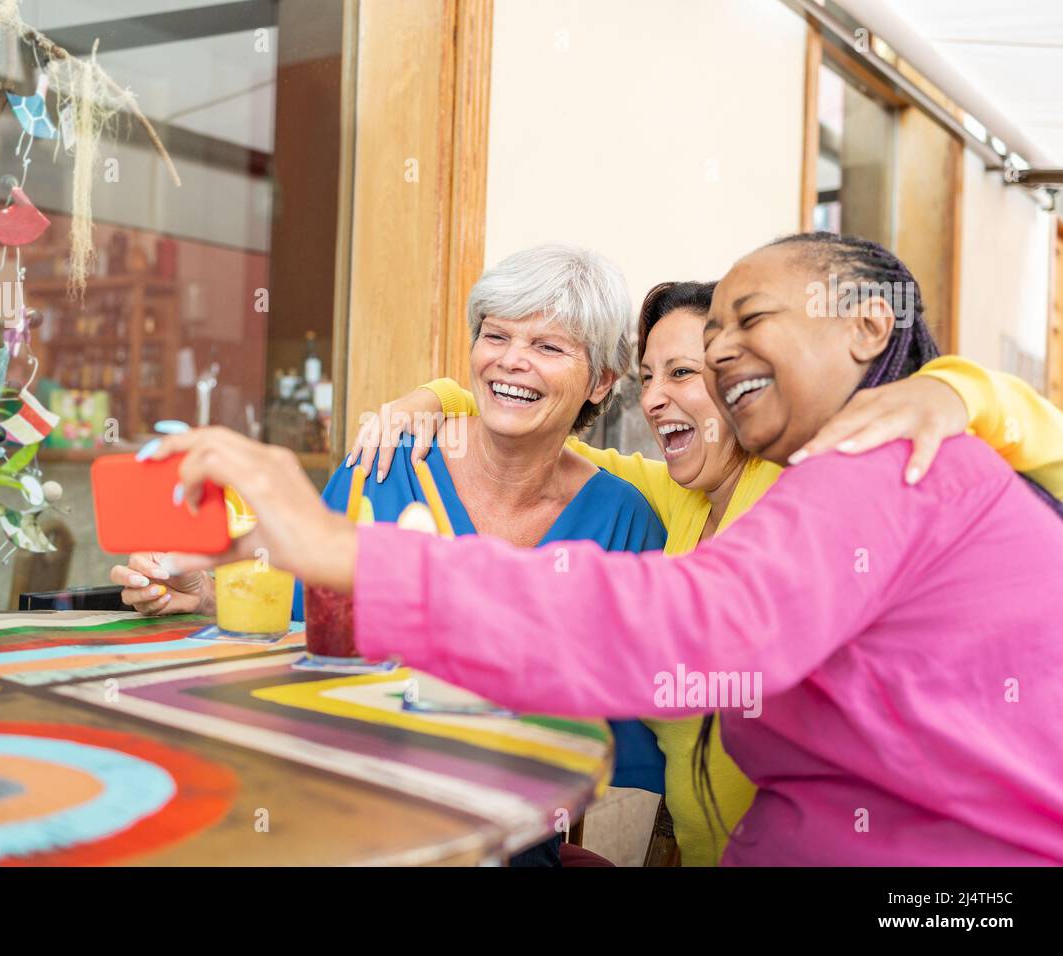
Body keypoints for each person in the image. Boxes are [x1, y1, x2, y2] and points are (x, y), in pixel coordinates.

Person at [150, 233, 1063, 864]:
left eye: (751, 320)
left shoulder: (889, 459)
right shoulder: (833, 473)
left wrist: (355, 554)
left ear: (868, 326)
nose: (722, 355)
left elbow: (693, 628)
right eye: (711, 340)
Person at [111, 244, 669, 863]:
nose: (512, 361)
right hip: (334, 812)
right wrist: (206, 594)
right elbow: (300, 623)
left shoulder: (625, 521)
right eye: (496, 335)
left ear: (601, 381)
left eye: (549, 346)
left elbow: (625, 731)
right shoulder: (385, 466)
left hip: (500, 840)